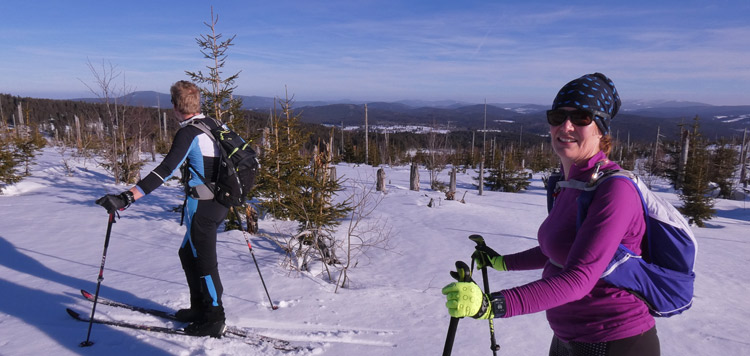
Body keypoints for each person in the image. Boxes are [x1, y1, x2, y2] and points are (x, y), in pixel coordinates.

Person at [442, 73, 660, 356]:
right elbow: (560, 249)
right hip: (567, 337)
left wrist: (490, 305)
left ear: (601, 128)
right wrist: (500, 262)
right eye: (558, 116)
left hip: (614, 340)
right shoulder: (571, 183)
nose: (566, 126)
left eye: (582, 117)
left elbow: (579, 278)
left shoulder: (615, 191)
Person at [96, 80, 229, 338]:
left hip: (204, 207)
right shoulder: (213, 124)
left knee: (205, 262)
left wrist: (127, 197)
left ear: (176, 107)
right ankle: (199, 307)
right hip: (214, 203)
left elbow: (164, 171)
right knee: (188, 255)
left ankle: (215, 318)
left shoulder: (190, 133)